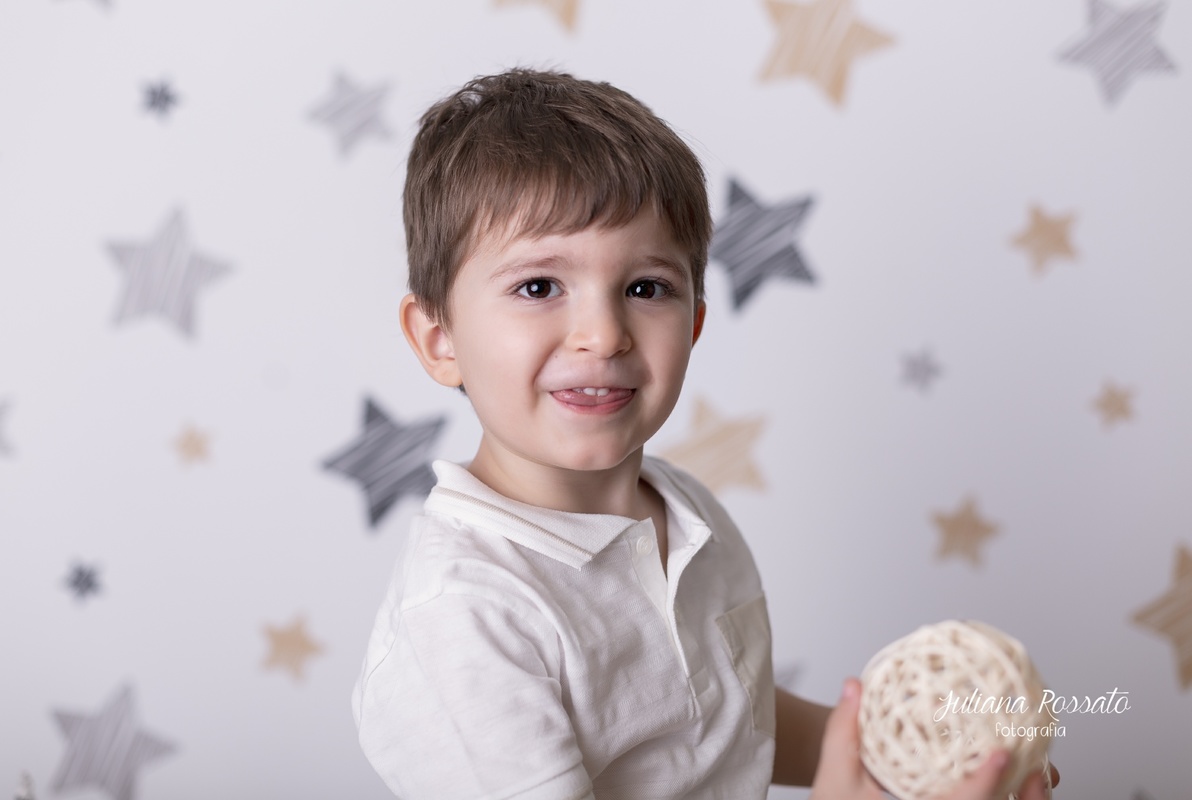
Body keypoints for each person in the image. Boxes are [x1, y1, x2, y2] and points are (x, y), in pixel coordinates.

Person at [352, 67, 1054, 799]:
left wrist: (891, 758)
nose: (602, 334)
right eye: (538, 287)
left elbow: (718, 719)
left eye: (644, 288)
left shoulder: (684, 510)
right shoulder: (464, 624)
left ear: (692, 324)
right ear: (439, 340)